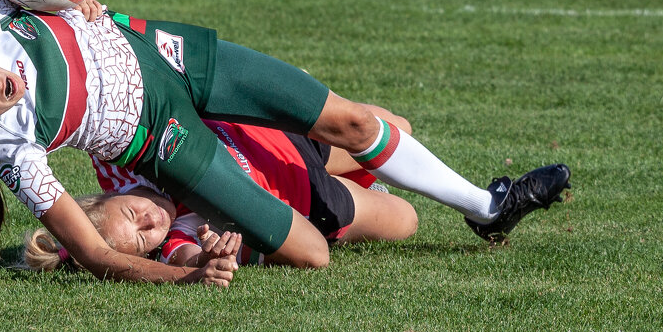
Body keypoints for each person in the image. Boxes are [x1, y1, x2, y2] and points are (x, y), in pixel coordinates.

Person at [0, 0, 571, 287]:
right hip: (160, 141)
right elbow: (98, 254)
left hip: (165, 53)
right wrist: (182, 281)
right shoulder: (8, 147)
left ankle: (490, 206)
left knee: (353, 119)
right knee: (311, 252)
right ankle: (217, 227)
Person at [24, 119, 421, 272]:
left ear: (107, 197)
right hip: (310, 201)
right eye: (145, 237)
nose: (152, 221)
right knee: (406, 219)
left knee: (397, 131)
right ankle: (362, 186)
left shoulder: (117, 163)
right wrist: (210, 260)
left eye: (133, 213)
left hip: (278, 141)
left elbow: (103, 102)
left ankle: (362, 172)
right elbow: (189, 260)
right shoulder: (178, 241)